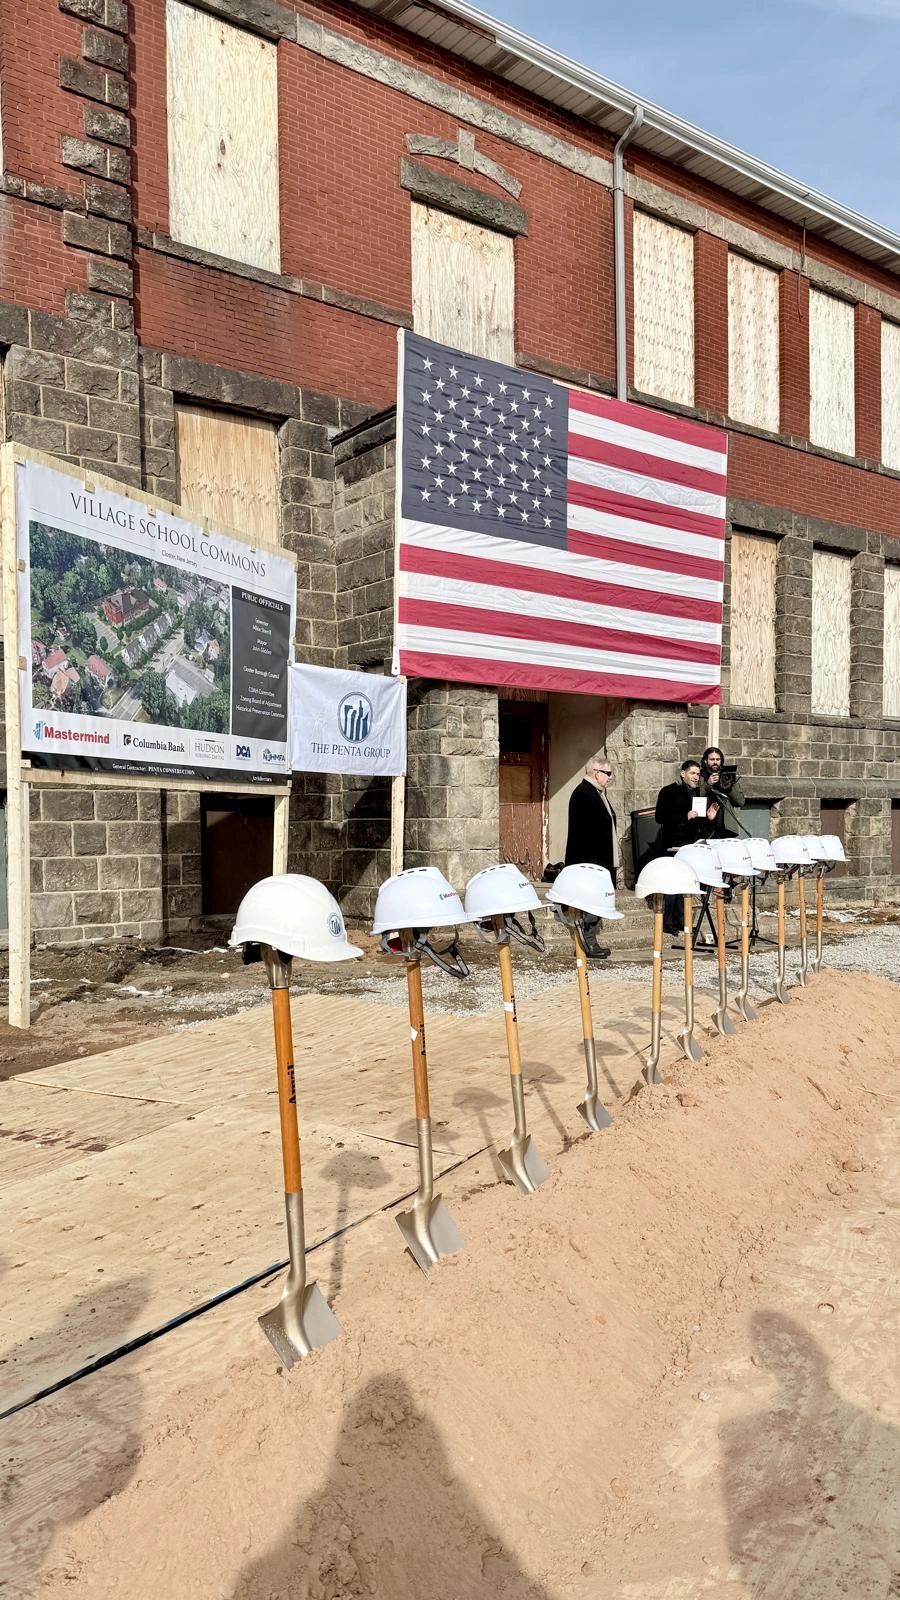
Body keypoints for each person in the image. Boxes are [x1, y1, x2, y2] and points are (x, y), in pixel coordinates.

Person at [654, 759, 719, 935]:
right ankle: (668, 922)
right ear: (683, 774)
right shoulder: (669, 791)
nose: (696, 777)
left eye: (698, 774)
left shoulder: (698, 793)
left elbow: (700, 823)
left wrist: (709, 817)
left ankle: (682, 920)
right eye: (692, 773)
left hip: (692, 845)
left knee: (687, 883)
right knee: (673, 883)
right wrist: (685, 815)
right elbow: (660, 816)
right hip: (673, 843)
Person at [564, 754, 619, 958]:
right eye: (607, 773)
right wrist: (592, 865)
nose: (610, 778)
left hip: (601, 861)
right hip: (591, 861)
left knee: (597, 903)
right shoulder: (583, 793)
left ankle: (590, 940)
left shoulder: (597, 793)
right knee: (592, 904)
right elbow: (584, 833)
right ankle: (588, 943)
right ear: (596, 773)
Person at [700, 746, 746, 839]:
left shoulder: (728, 775)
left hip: (726, 828)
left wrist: (729, 787)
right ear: (705, 761)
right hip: (705, 826)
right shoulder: (700, 776)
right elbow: (695, 797)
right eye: (712, 759)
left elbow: (740, 802)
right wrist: (708, 784)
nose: (715, 762)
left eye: (718, 759)